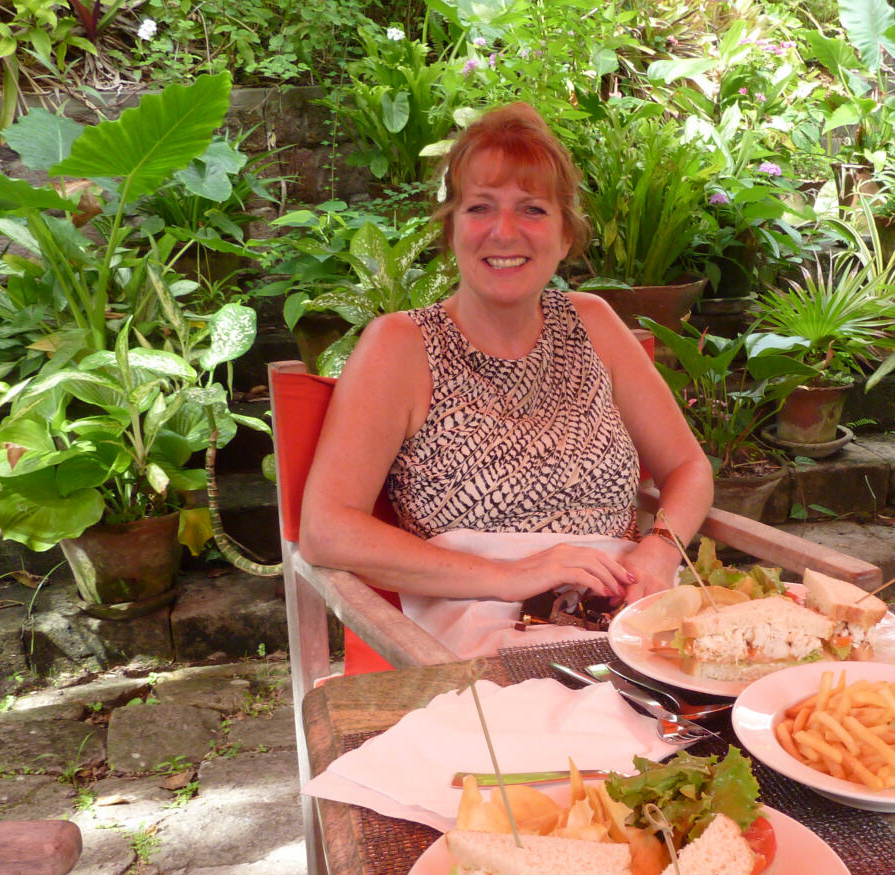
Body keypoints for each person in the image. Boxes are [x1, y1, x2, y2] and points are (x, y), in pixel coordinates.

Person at [299, 102, 712, 656]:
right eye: (480, 207)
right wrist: (512, 573)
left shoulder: (594, 325)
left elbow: (688, 467)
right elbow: (328, 529)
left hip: (627, 614)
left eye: (533, 210)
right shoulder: (401, 347)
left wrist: (660, 549)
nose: (504, 231)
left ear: (566, 235)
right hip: (483, 632)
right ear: (451, 230)